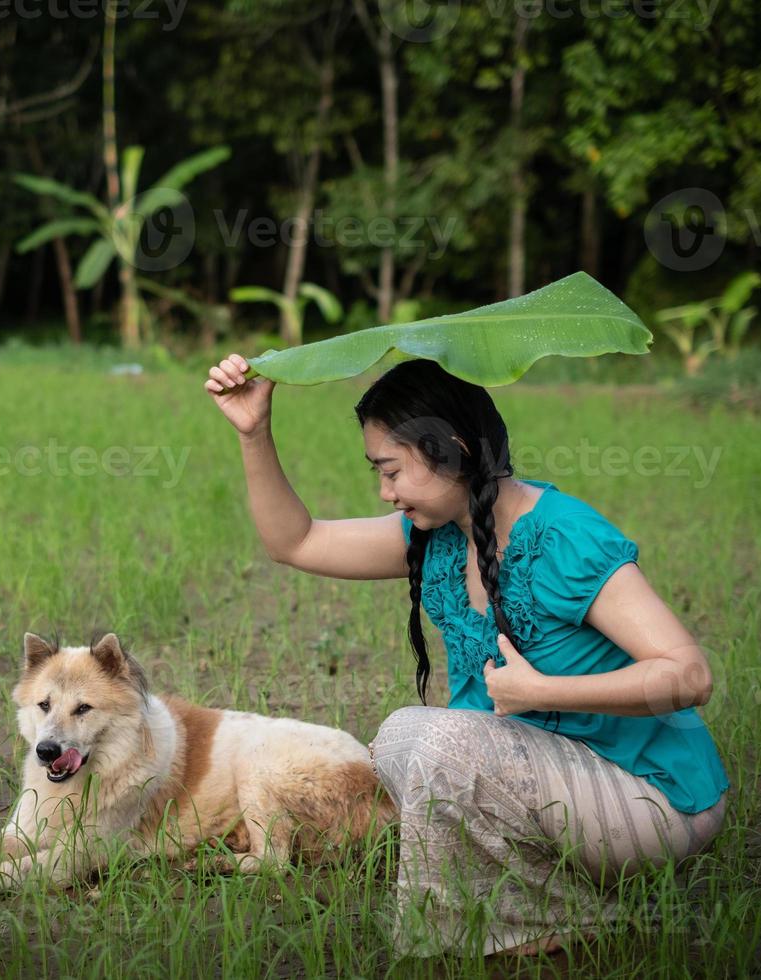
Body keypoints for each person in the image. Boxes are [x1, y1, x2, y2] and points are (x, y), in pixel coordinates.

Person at [203, 352, 731, 960]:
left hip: (654, 802)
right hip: (559, 786)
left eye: (392, 470)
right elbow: (295, 541)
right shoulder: (439, 535)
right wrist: (254, 432)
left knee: (438, 742)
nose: (385, 491)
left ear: (450, 450)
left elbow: (688, 675)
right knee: (403, 736)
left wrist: (542, 693)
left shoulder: (562, 537)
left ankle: (510, 932)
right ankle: (544, 913)